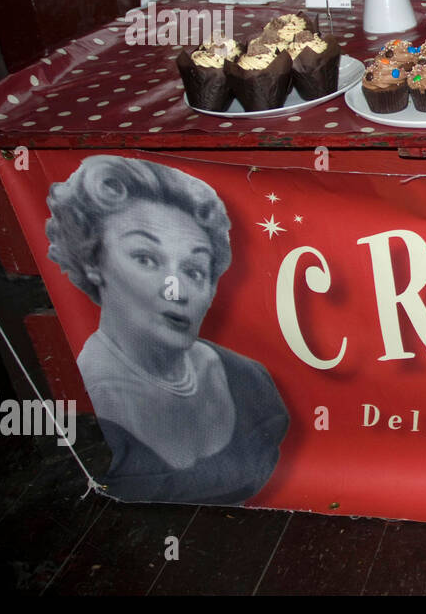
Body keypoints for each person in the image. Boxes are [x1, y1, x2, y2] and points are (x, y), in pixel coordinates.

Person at [45, 156, 290, 505]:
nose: (177, 290)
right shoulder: (81, 405)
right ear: (92, 262)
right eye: (146, 258)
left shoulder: (249, 381)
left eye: (193, 270)